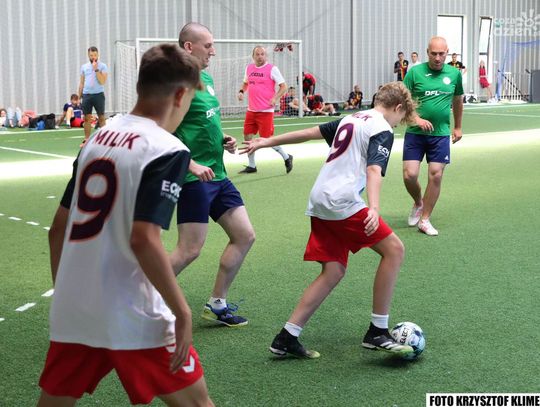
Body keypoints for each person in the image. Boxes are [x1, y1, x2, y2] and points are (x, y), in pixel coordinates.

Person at [37, 44, 215, 406]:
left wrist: (67, 295)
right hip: (134, 313)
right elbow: (143, 238)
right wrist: (182, 311)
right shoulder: (167, 149)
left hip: (76, 308)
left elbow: (57, 230)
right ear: (180, 95)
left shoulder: (95, 139)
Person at [240, 82, 417, 358]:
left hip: (319, 199)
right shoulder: (381, 128)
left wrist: (267, 141)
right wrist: (374, 207)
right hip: (341, 201)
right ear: (397, 107)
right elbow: (374, 170)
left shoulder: (351, 118)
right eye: (401, 117)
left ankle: (287, 337)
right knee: (394, 250)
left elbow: (309, 132)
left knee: (333, 271)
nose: (397, 124)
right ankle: (378, 332)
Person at [170, 22, 255, 327]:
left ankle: (217, 304)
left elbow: (204, 122)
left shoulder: (205, 78)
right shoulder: (177, 84)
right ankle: (137, 297)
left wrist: (223, 139)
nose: (213, 51)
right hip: (195, 179)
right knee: (189, 250)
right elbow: (162, 133)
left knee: (244, 236)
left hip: (217, 175)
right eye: (208, 46)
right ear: (189, 47)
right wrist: (190, 164)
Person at [402, 36, 464, 236]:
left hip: (440, 134)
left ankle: (425, 219)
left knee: (436, 174)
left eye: (441, 54)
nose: (438, 58)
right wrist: (416, 119)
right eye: (434, 54)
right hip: (415, 133)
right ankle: (418, 202)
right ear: (427, 52)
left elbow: (458, 101)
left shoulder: (454, 74)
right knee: (410, 175)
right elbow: (402, 100)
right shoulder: (414, 72)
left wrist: (458, 127)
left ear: (447, 53)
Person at [237, 46, 293, 174]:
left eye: (262, 54)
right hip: (251, 110)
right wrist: (241, 91)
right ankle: (252, 166)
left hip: (266, 111)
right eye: (257, 54)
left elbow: (284, 87)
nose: (260, 56)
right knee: (247, 136)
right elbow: (246, 83)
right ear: (253, 56)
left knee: (266, 139)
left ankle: (286, 157)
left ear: (266, 56)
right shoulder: (249, 68)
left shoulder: (272, 69)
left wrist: (275, 98)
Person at [78, 46, 108, 146]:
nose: (93, 57)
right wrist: (79, 96)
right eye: (91, 55)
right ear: (88, 55)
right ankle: (86, 140)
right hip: (86, 95)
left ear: (98, 54)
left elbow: (102, 81)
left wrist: (96, 69)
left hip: (98, 95)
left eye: (95, 55)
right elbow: (81, 83)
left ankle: (105, 140)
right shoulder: (84, 67)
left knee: (101, 117)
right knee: (86, 118)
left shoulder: (103, 66)